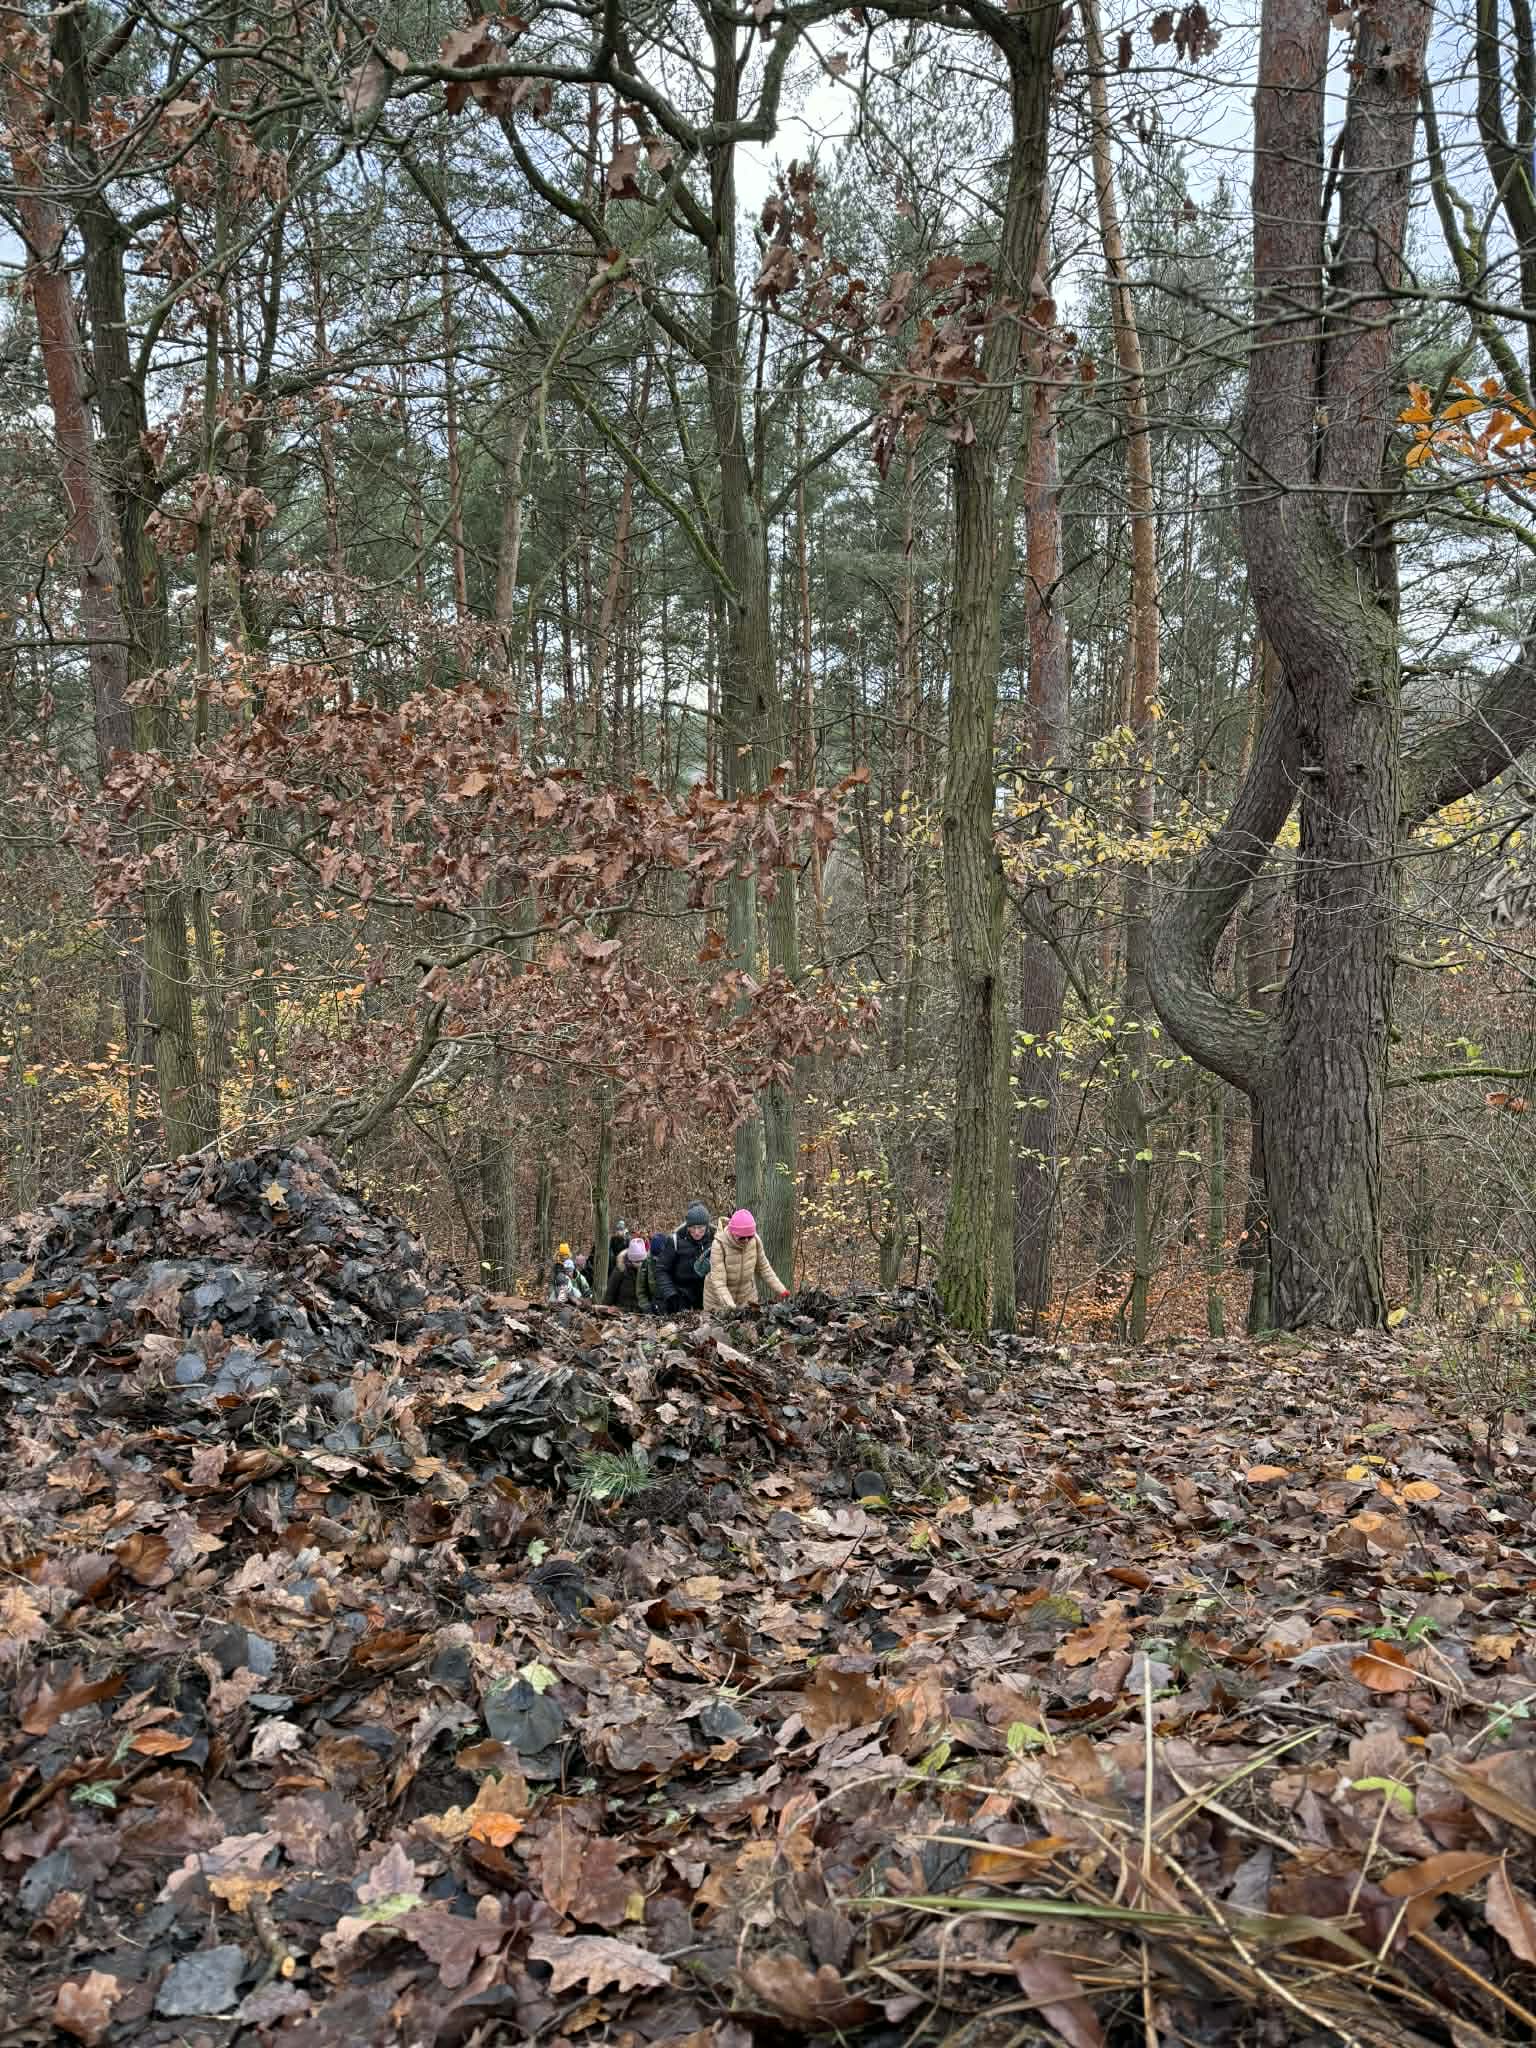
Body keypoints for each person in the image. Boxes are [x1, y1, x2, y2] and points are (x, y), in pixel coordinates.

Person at [703, 1209, 789, 1313]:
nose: (747, 1240)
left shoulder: (755, 1241)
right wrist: (731, 1307)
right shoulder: (719, 1245)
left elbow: (764, 1269)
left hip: (747, 1297)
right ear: (732, 1232)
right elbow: (719, 1282)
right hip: (717, 1301)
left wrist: (781, 1290)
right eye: (742, 1238)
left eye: (750, 1236)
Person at [656, 1202, 714, 1313]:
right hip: (680, 1298)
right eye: (692, 1227)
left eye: (700, 1228)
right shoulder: (675, 1241)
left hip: (707, 1298)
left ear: (707, 1226)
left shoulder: (715, 1240)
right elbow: (661, 1269)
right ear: (687, 1226)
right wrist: (671, 1294)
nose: (696, 1232)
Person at [605, 1235, 657, 1312]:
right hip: (623, 1310)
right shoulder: (620, 1270)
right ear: (630, 1259)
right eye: (636, 1262)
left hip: (643, 1312)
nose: (639, 1264)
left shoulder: (648, 1269)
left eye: (641, 1261)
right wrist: (605, 1308)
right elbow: (610, 1293)